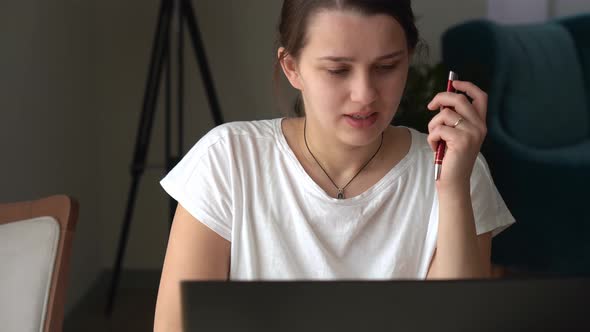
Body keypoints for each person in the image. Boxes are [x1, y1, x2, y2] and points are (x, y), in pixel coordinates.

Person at [153, 0, 516, 330]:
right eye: (338, 70)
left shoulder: (455, 168)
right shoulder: (227, 160)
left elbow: (455, 322)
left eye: (387, 67)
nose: (365, 94)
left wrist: (452, 189)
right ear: (292, 68)